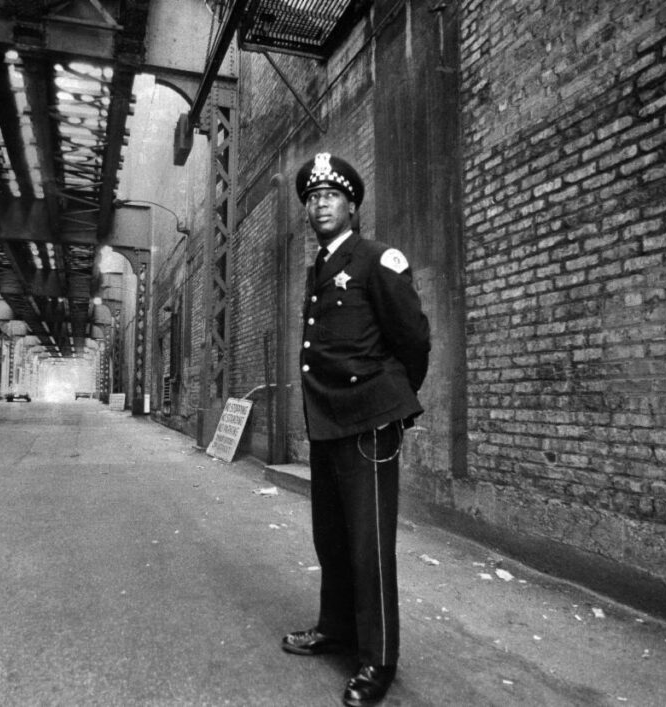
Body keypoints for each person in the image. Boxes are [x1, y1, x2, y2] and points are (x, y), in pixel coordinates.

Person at [282, 153, 430, 706]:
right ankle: (336, 627)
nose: (319, 203)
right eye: (312, 197)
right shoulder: (319, 266)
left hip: (367, 422)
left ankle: (379, 659)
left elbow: (413, 340)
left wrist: (387, 399)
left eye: (331, 195)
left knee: (369, 546)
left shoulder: (376, 260)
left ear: (352, 206)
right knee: (333, 537)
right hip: (327, 419)